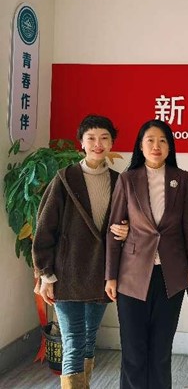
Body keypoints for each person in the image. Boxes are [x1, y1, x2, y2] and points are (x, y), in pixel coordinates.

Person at [32, 114, 128, 389]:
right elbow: (44, 229)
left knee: (88, 338)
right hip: (67, 275)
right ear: (82, 143)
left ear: (111, 143)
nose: (98, 144)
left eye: (104, 138)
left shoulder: (120, 181)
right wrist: (46, 275)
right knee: (73, 340)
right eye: (91, 138)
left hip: (101, 274)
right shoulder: (65, 179)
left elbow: (129, 222)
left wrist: (127, 229)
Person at [105, 119, 188, 389]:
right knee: (133, 352)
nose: (156, 146)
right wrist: (111, 275)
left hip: (171, 274)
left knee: (161, 350)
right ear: (141, 146)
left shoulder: (182, 179)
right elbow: (114, 228)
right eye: (150, 141)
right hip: (132, 276)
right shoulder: (128, 179)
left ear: (170, 147)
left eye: (162, 141)